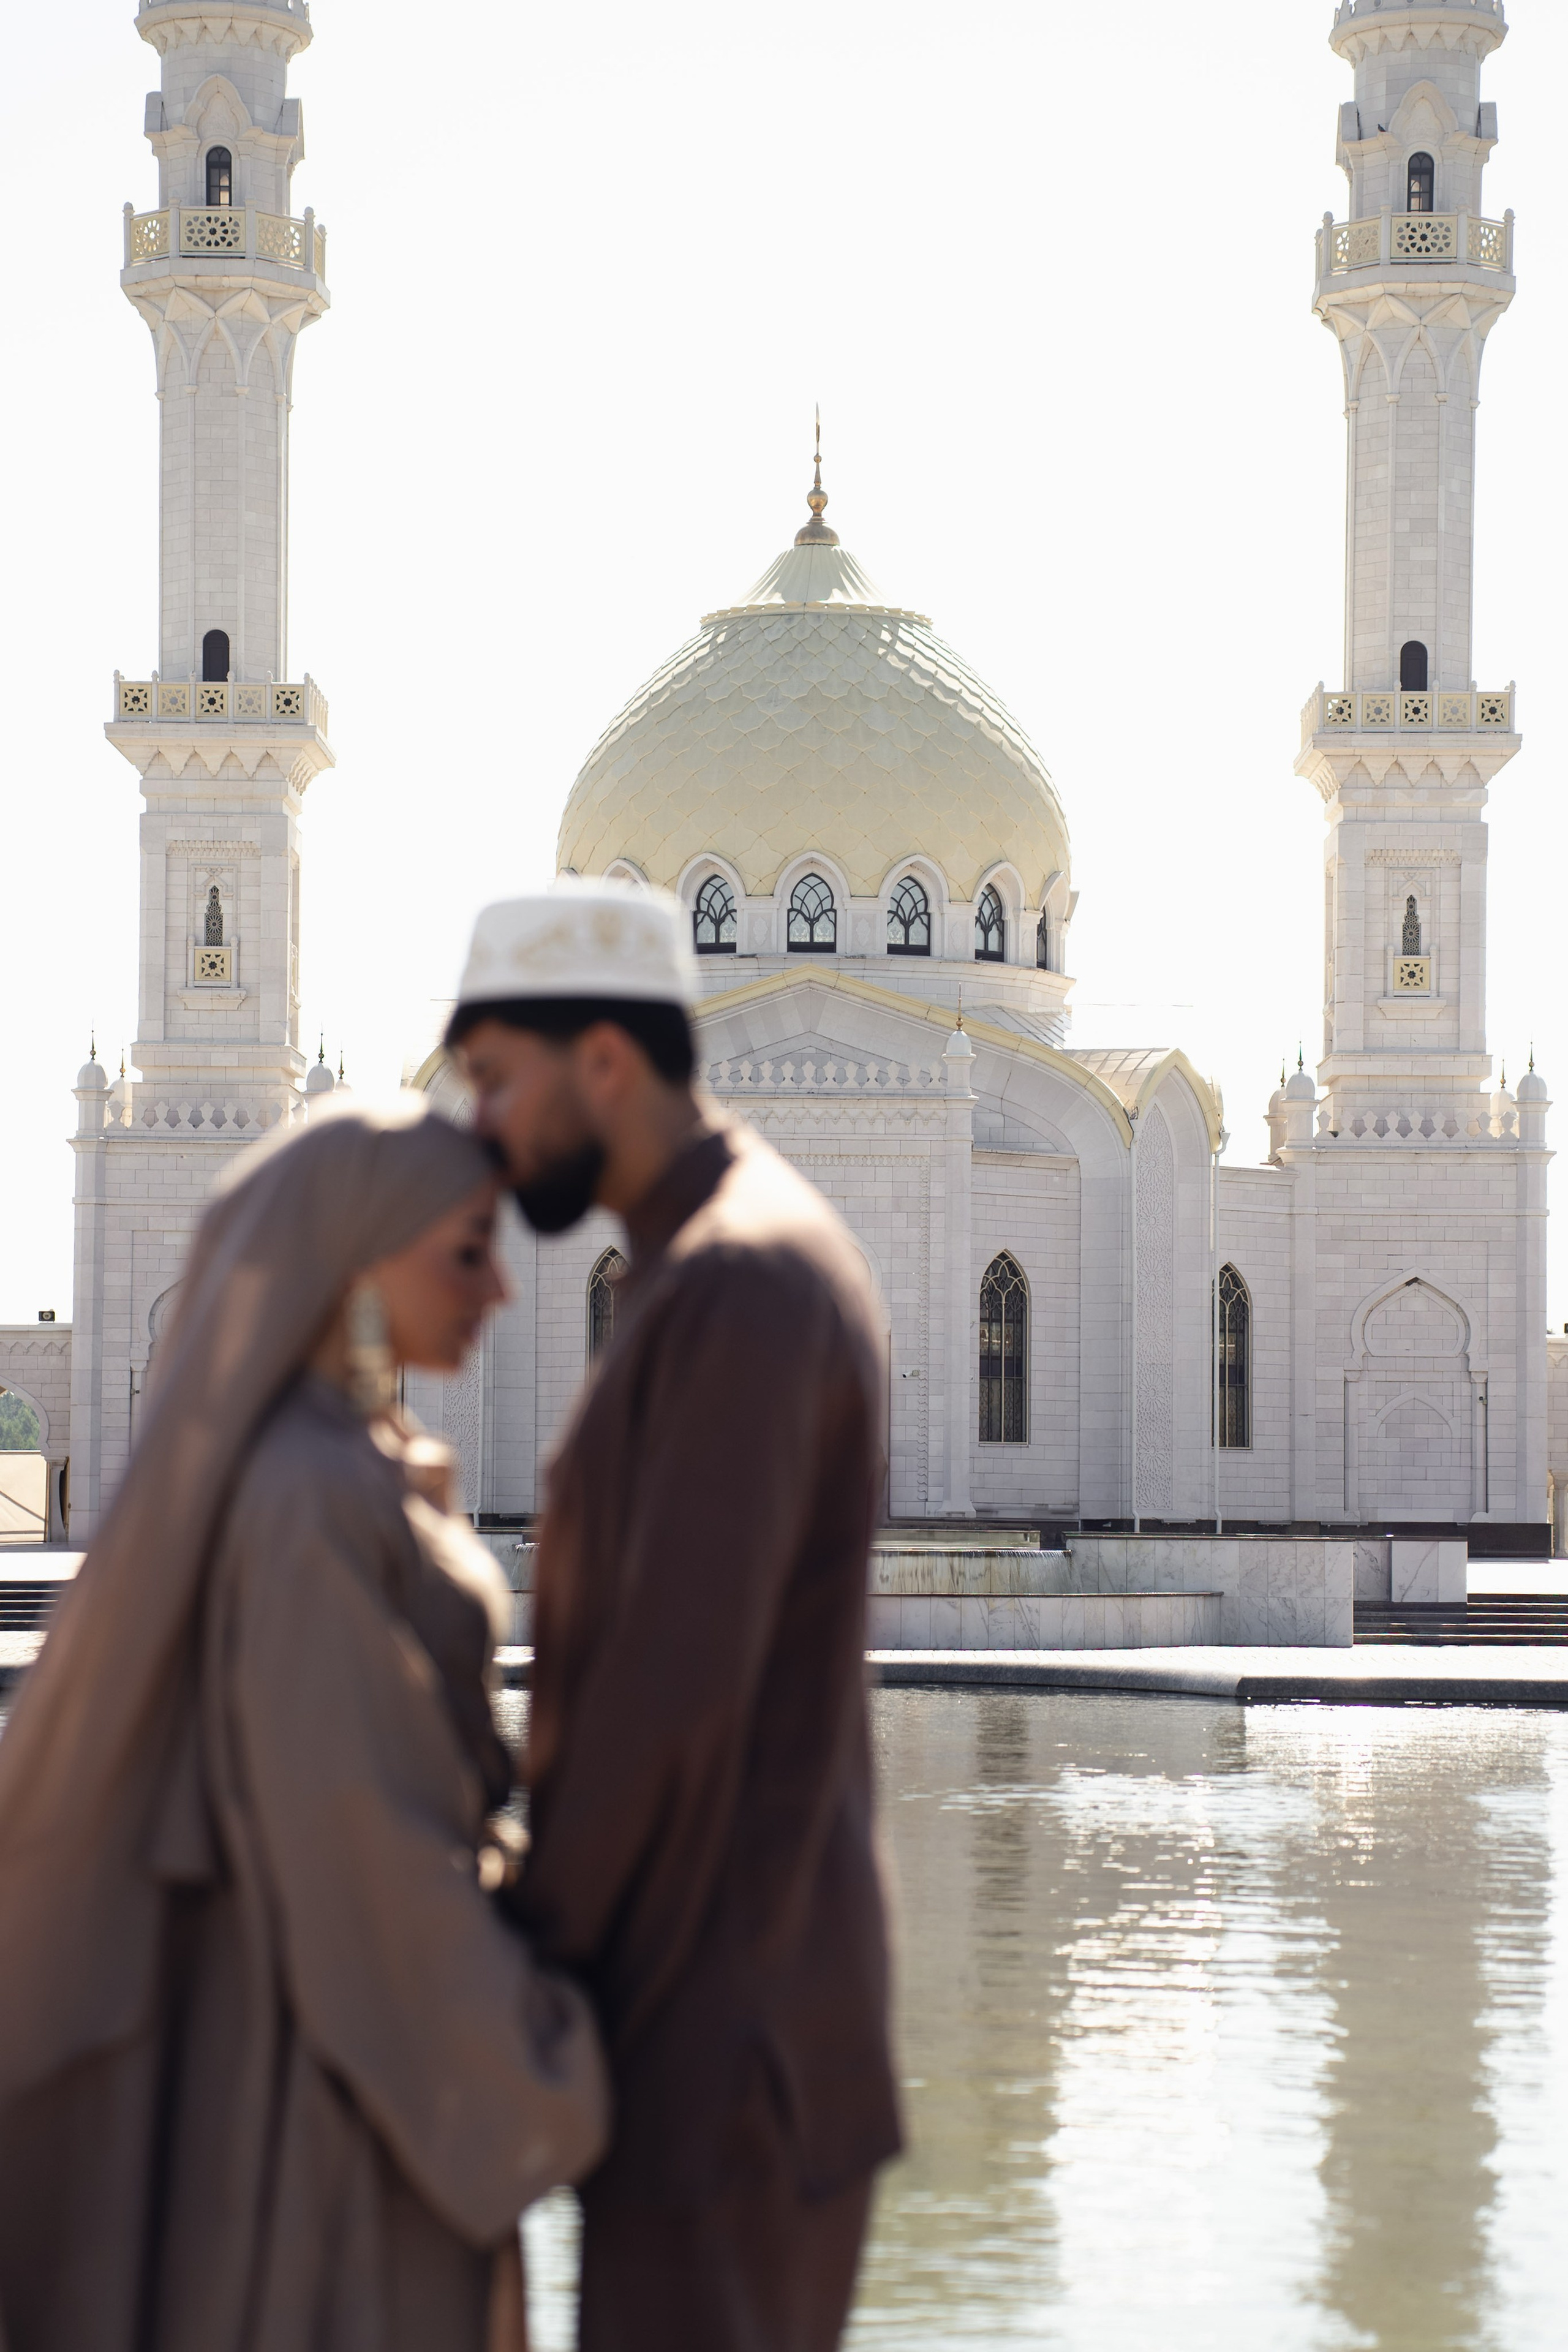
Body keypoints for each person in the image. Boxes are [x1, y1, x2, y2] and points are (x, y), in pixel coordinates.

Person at [0, 1095, 608, 2352]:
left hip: (318, 2067)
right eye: (464, 1249)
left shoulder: (330, 1462)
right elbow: (356, 1852)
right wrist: (552, 2061)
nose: (499, 1286)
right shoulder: (305, 1497)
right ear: (354, 1267)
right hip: (326, 2109)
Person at [446, 880, 902, 2352]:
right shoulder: (701, 1262)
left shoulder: (742, 1283)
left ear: (603, 1063)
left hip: (732, 2049)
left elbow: (670, 1688)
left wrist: (507, 1947)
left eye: (499, 1083)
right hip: (704, 2029)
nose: (487, 1132)